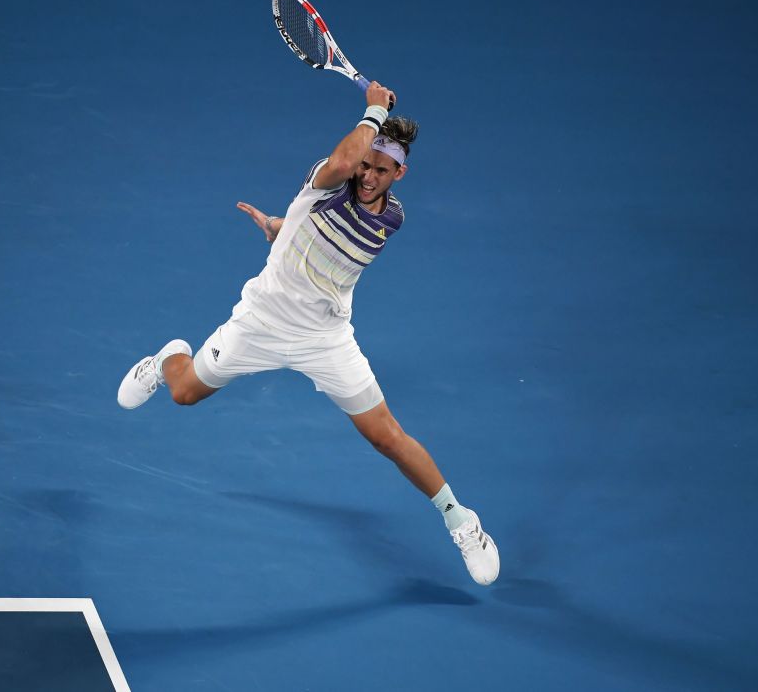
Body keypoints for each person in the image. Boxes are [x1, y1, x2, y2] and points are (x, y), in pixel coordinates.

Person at [118, 82, 499, 586]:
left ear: (400, 174)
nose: (367, 175)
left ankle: (462, 521)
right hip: (260, 324)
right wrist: (372, 110)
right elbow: (342, 165)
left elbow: (332, 254)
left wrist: (282, 230)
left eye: (381, 170)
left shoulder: (393, 219)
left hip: (326, 339)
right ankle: (166, 358)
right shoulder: (329, 180)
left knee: (386, 436)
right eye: (366, 164)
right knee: (184, 393)